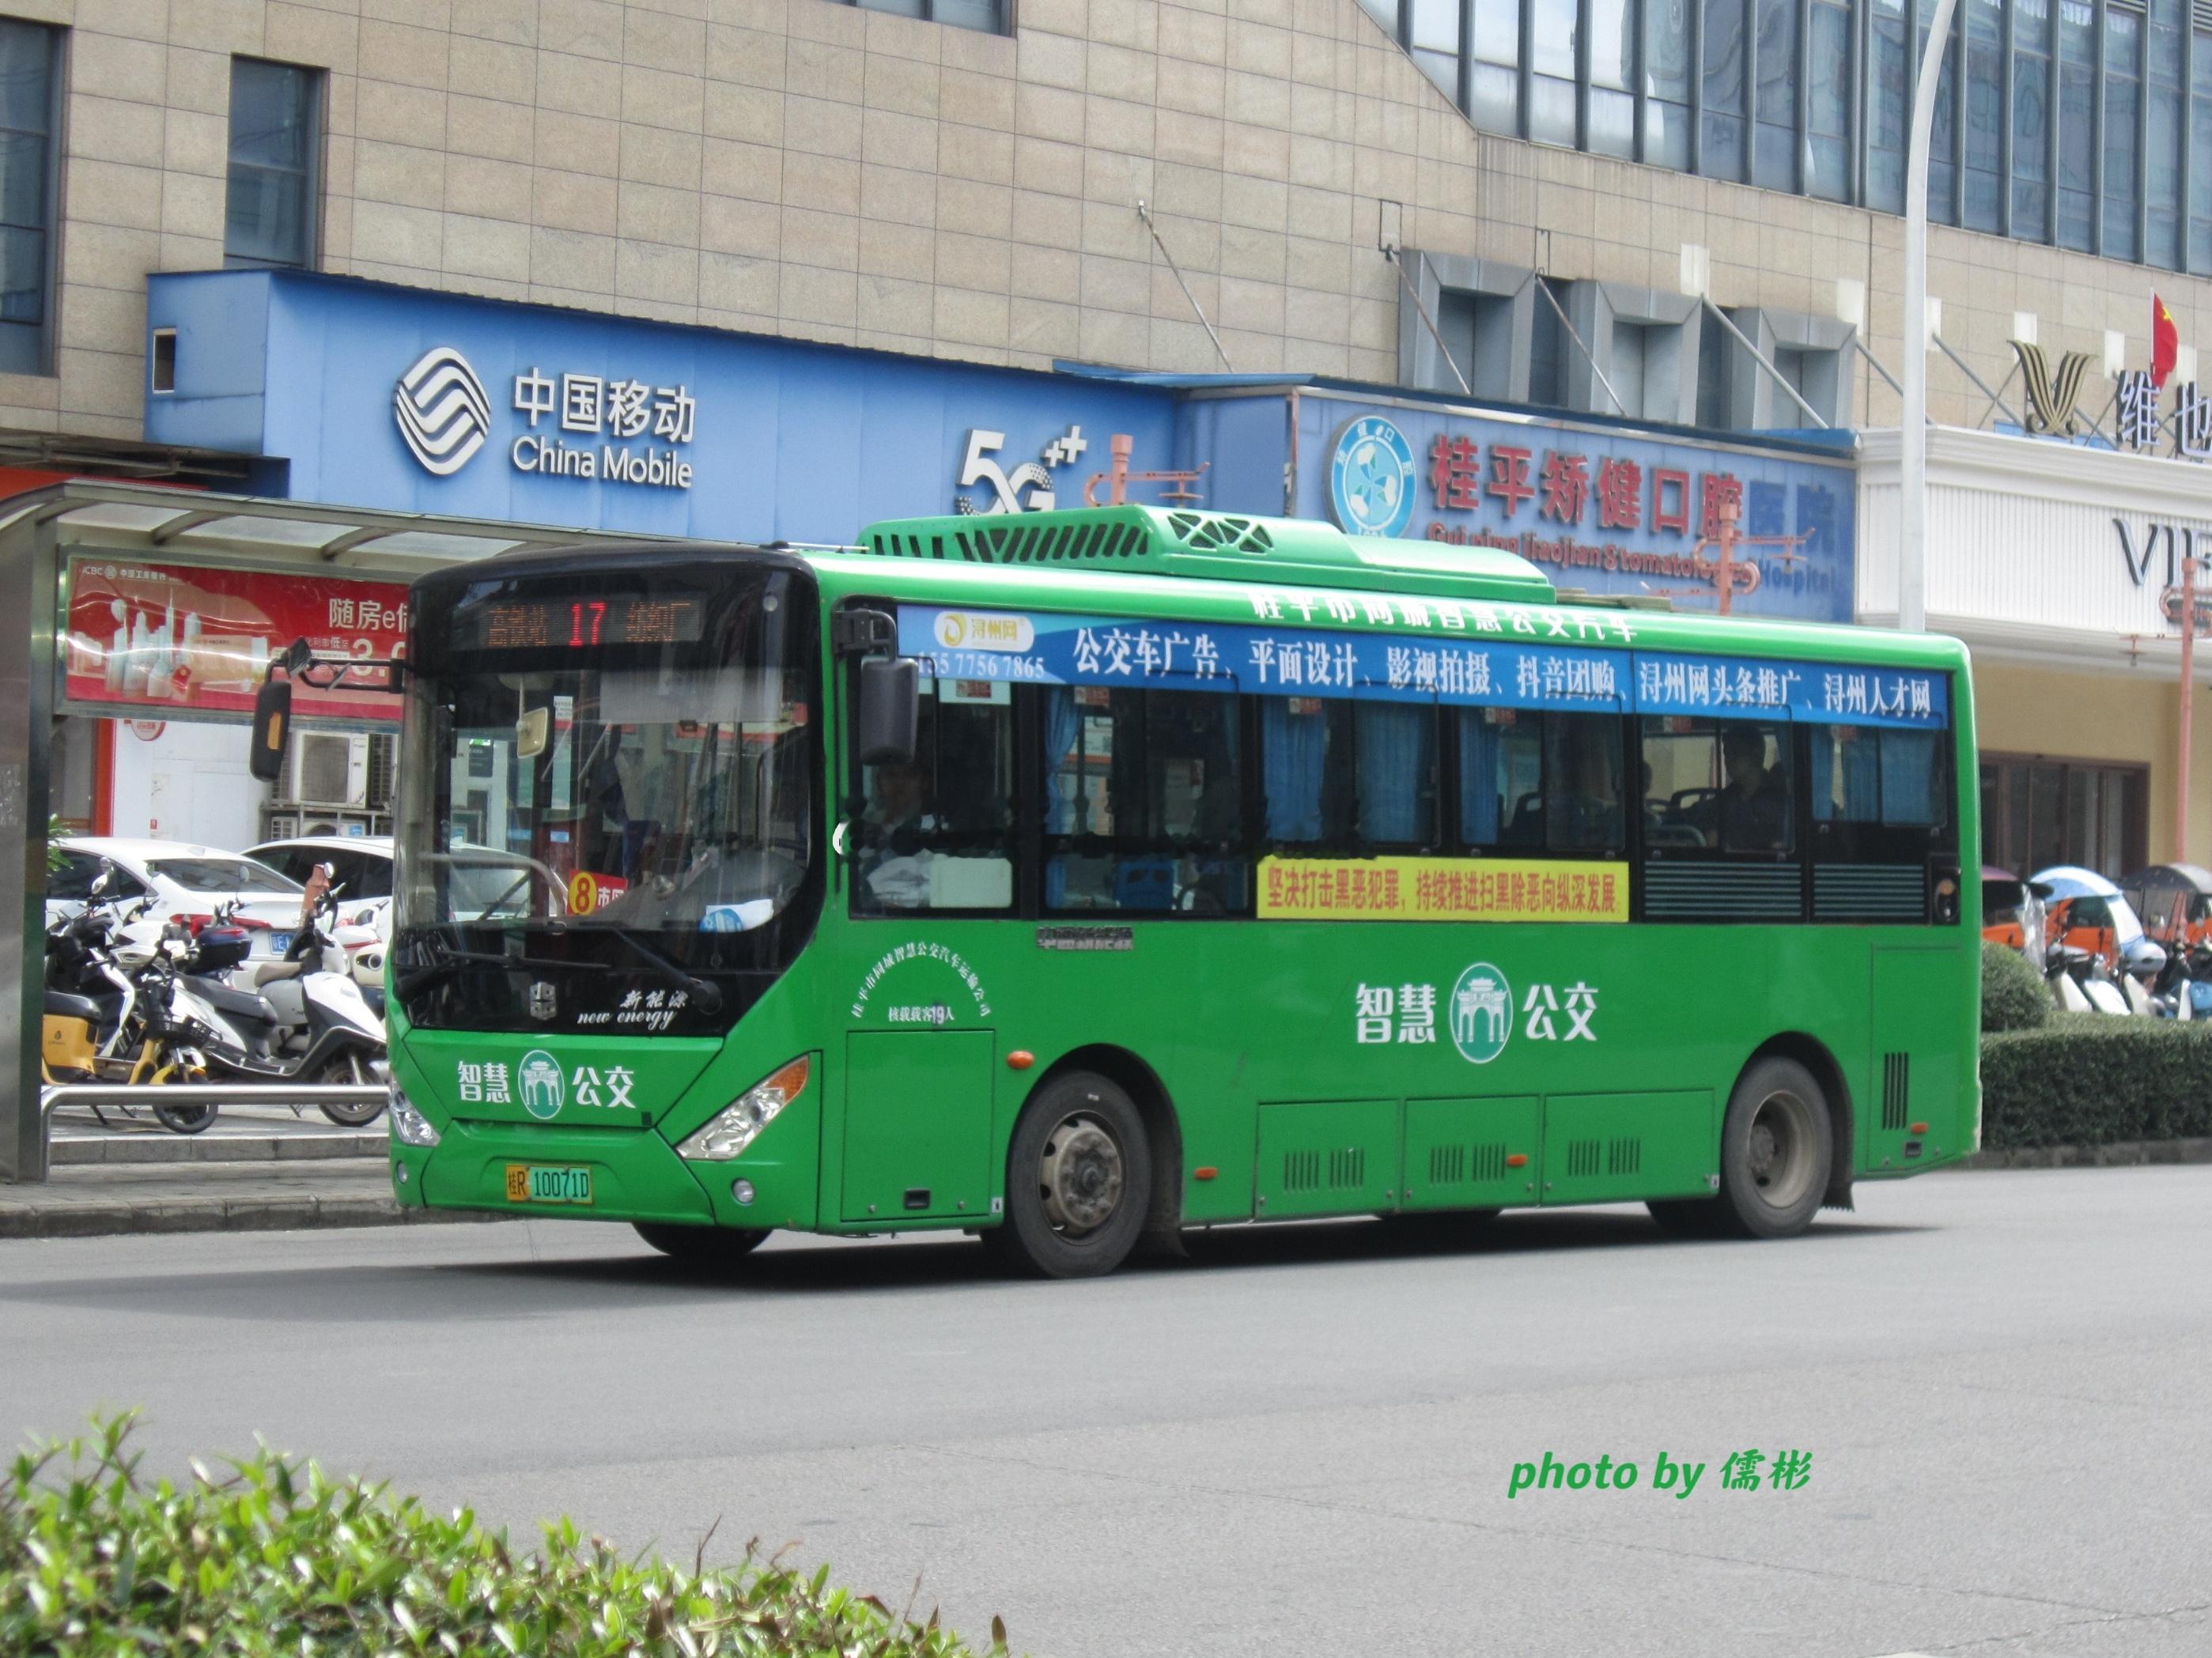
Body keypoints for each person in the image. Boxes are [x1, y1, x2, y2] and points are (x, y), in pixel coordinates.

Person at [1715, 725, 1790, 851]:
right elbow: (1701, 814)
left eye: (1735, 752)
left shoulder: (1781, 800)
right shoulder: (1725, 798)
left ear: (1756, 753)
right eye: (1726, 754)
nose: (1728, 759)